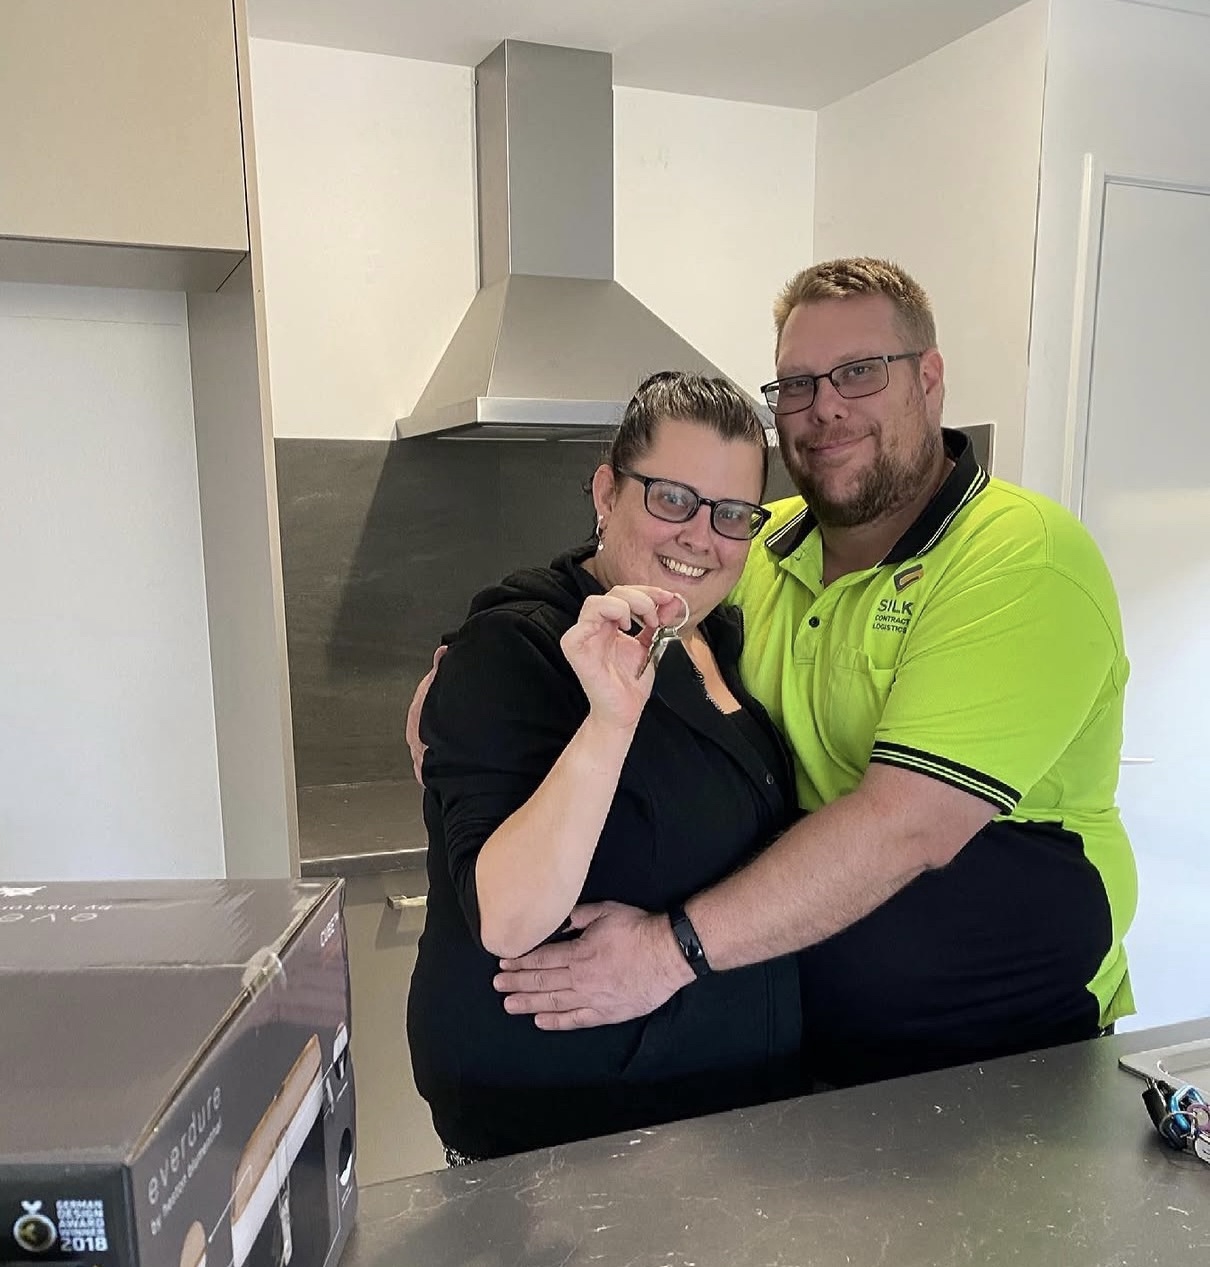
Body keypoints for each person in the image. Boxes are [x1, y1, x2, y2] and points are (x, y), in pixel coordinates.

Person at [410, 258, 1139, 1091]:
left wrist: (665, 951)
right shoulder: (759, 544)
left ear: (929, 380)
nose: (825, 406)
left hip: (1010, 1056)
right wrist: (464, 693)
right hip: (810, 1080)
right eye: (796, 384)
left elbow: (907, 826)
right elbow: (596, 582)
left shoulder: (1020, 557)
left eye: (860, 372)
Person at [406, 371, 806, 1163]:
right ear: (606, 491)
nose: (701, 535)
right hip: (569, 1157)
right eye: (671, 498)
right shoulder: (517, 648)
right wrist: (610, 721)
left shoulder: (715, 640)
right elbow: (510, 916)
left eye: (731, 514)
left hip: (719, 1141)